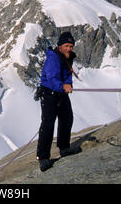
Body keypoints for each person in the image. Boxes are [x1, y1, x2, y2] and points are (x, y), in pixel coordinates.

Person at [36, 31, 82, 172]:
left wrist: (68, 84)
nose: (69, 48)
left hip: (60, 92)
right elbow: (51, 78)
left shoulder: (67, 57)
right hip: (49, 93)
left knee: (67, 118)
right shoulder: (53, 58)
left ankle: (64, 148)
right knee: (48, 123)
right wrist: (63, 86)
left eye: (71, 46)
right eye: (67, 45)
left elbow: (67, 75)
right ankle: (43, 157)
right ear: (60, 46)